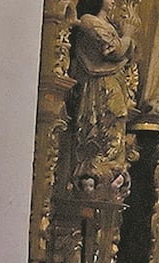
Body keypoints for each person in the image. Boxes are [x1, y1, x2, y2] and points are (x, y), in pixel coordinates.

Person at [69, 0, 136, 194]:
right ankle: (94, 175)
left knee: (116, 123)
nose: (114, 1)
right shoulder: (89, 21)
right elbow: (114, 50)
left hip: (115, 84)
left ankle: (112, 176)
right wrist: (128, 36)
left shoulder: (111, 27)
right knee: (104, 123)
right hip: (100, 86)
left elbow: (127, 53)